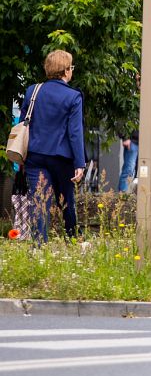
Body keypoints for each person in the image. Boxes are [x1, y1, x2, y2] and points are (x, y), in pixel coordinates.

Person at [22, 49, 85, 242]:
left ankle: (38, 247)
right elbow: (75, 132)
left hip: (35, 155)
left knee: (39, 201)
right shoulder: (73, 96)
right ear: (66, 71)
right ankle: (72, 238)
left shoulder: (33, 91)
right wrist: (79, 163)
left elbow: (24, 121)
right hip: (61, 158)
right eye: (71, 67)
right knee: (66, 200)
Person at [118, 127, 138, 194]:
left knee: (137, 171)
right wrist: (125, 138)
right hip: (133, 142)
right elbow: (121, 121)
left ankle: (128, 193)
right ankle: (123, 193)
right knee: (129, 169)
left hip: (141, 142)